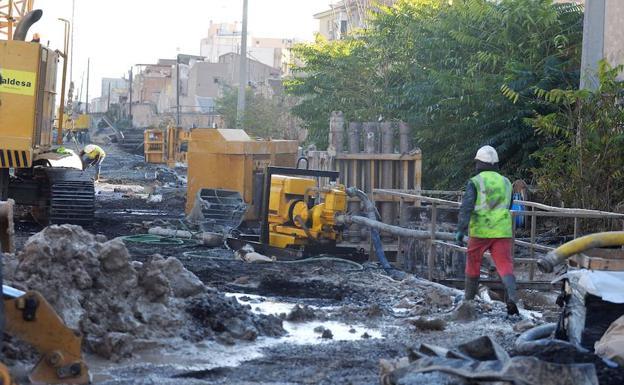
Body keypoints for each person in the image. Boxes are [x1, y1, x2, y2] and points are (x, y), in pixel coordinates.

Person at [455, 145, 519, 315]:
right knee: (505, 264)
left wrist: (461, 229)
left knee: (473, 261)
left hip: (480, 231)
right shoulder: (506, 182)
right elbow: (509, 205)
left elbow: (467, 207)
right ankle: (512, 298)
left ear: (479, 163)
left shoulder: (475, 182)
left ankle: (468, 300)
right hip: (503, 231)